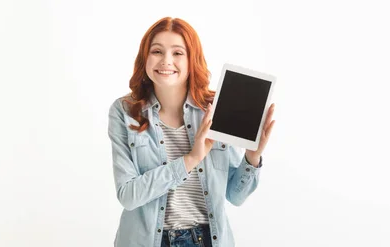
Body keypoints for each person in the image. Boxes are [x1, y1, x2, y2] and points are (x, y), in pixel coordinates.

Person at [107, 17, 276, 247]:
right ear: (145, 58)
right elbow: (128, 195)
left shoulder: (215, 107)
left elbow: (235, 196)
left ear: (191, 59)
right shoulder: (124, 111)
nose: (166, 61)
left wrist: (252, 157)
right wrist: (191, 159)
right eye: (157, 51)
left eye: (178, 53)